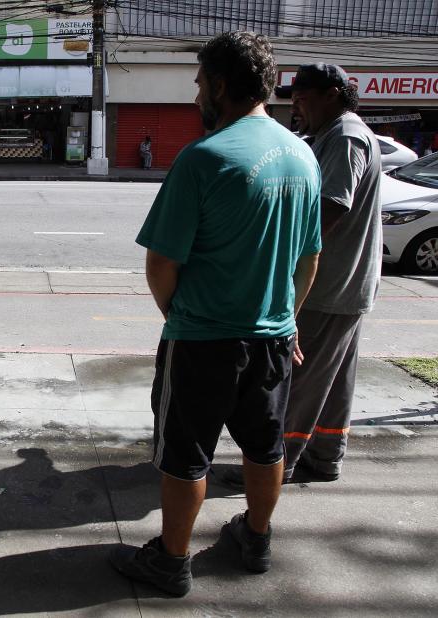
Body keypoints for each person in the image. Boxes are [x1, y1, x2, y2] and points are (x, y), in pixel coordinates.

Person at [108, 32, 321, 597]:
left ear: (222, 85)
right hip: (273, 339)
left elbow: (161, 264)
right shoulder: (303, 155)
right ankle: (255, 538)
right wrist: (288, 319)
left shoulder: (204, 158)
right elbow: (309, 257)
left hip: (204, 339)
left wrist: (178, 316)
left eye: (200, 82)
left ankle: (171, 561)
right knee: (265, 446)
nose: (196, 92)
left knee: (186, 456)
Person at [269, 64, 381, 482]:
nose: (296, 105)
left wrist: (288, 260)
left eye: (303, 96)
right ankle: (326, 456)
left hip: (328, 284)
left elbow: (333, 204)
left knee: (300, 378)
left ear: (333, 93)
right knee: (333, 381)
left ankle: (276, 463)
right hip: (347, 285)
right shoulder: (333, 134)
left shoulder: (345, 135)